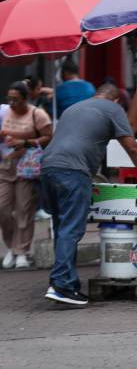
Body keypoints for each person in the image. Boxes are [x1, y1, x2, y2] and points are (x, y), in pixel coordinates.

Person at [41, 84, 137, 305]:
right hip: (73, 170)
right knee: (71, 229)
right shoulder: (112, 109)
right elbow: (132, 147)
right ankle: (61, 285)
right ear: (116, 100)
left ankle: (65, 281)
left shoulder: (75, 108)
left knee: (61, 227)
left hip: (48, 167)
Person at [1, 82, 53, 269]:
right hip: (5, 166)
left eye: (15, 99)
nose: (11, 103)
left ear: (25, 98)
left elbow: (49, 136)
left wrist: (25, 142)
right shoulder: (4, 112)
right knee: (3, 209)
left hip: (27, 167)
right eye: (9, 99)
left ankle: (21, 251)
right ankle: (10, 247)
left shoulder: (37, 114)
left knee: (24, 210)